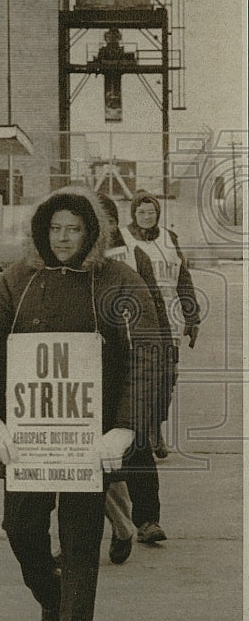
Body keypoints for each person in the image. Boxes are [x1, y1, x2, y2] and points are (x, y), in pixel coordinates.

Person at [0, 186, 159, 621]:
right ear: (41, 230)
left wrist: (127, 425)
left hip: (91, 443)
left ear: (92, 232)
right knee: (20, 529)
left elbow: (148, 354)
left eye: (74, 229)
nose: (63, 239)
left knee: (80, 546)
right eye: (55, 229)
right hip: (28, 441)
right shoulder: (17, 281)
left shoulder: (119, 281)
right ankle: (52, 606)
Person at [98, 193, 175, 548]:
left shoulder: (134, 257)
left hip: (130, 367)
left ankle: (147, 520)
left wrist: (162, 354)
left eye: (103, 220)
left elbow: (155, 307)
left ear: (113, 223)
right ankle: (117, 526)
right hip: (87, 371)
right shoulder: (63, 260)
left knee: (137, 445)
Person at [121, 190, 200, 458]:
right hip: (137, 319)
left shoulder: (169, 238)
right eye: (141, 212)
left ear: (158, 214)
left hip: (170, 318)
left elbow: (184, 279)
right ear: (133, 214)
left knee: (167, 377)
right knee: (141, 376)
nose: (146, 217)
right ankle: (141, 432)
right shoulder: (122, 238)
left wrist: (192, 316)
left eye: (151, 212)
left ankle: (155, 428)